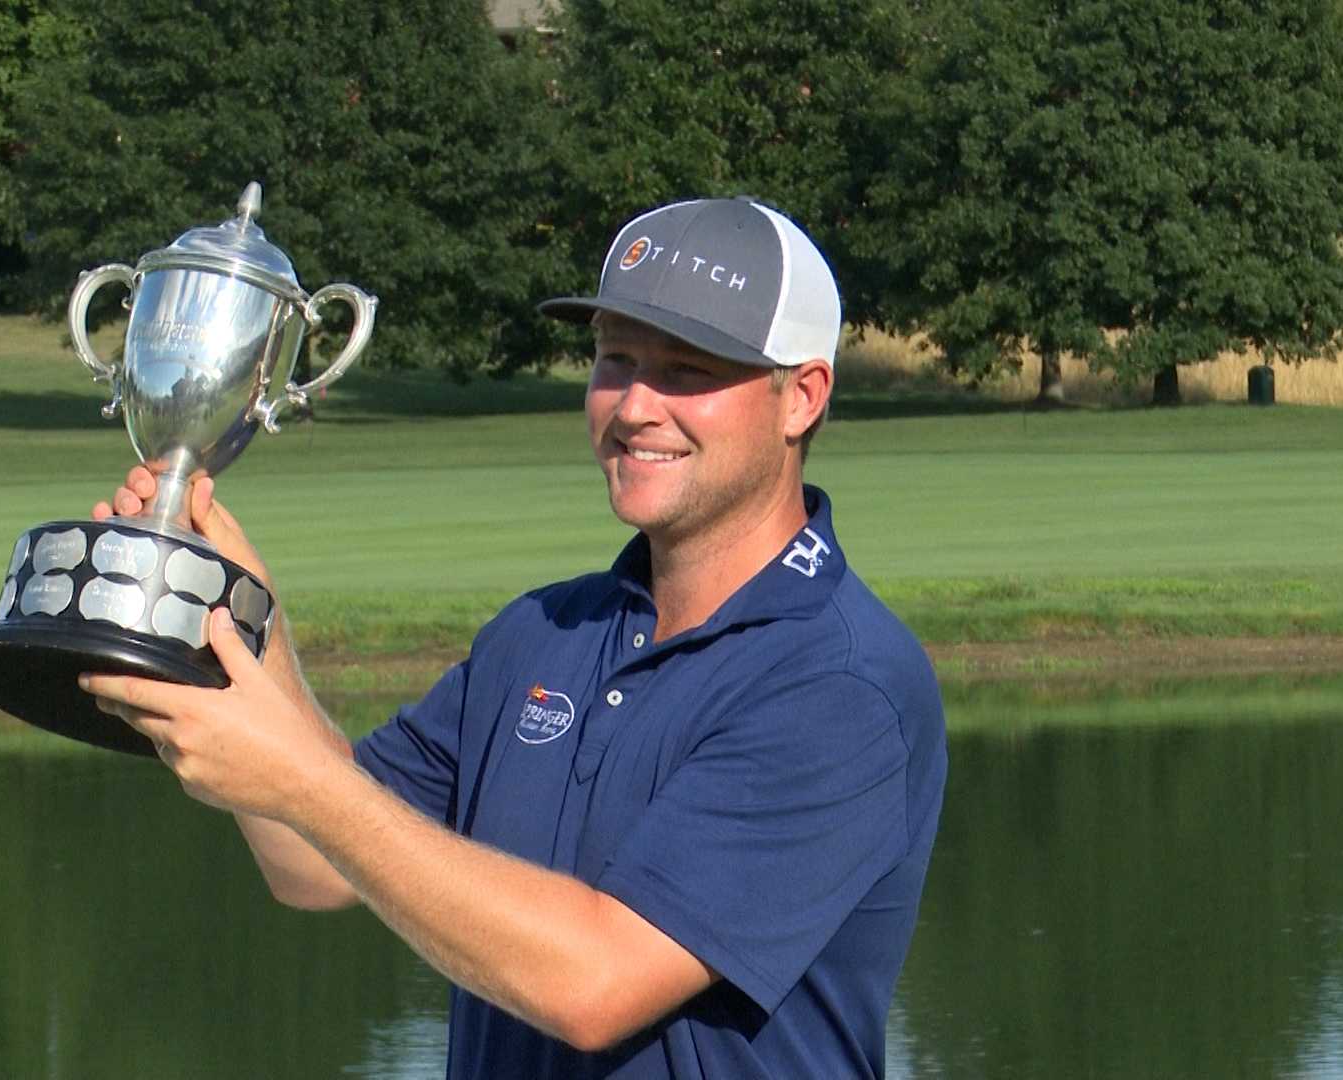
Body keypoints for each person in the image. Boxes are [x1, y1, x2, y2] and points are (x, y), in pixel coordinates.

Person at [81, 196, 947, 1079]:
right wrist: (233, 634)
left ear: (801, 397)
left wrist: (300, 781)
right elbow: (316, 863)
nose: (637, 405)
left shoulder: (841, 684)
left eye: (686, 370)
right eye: (616, 359)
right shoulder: (544, 632)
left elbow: (595, 984)